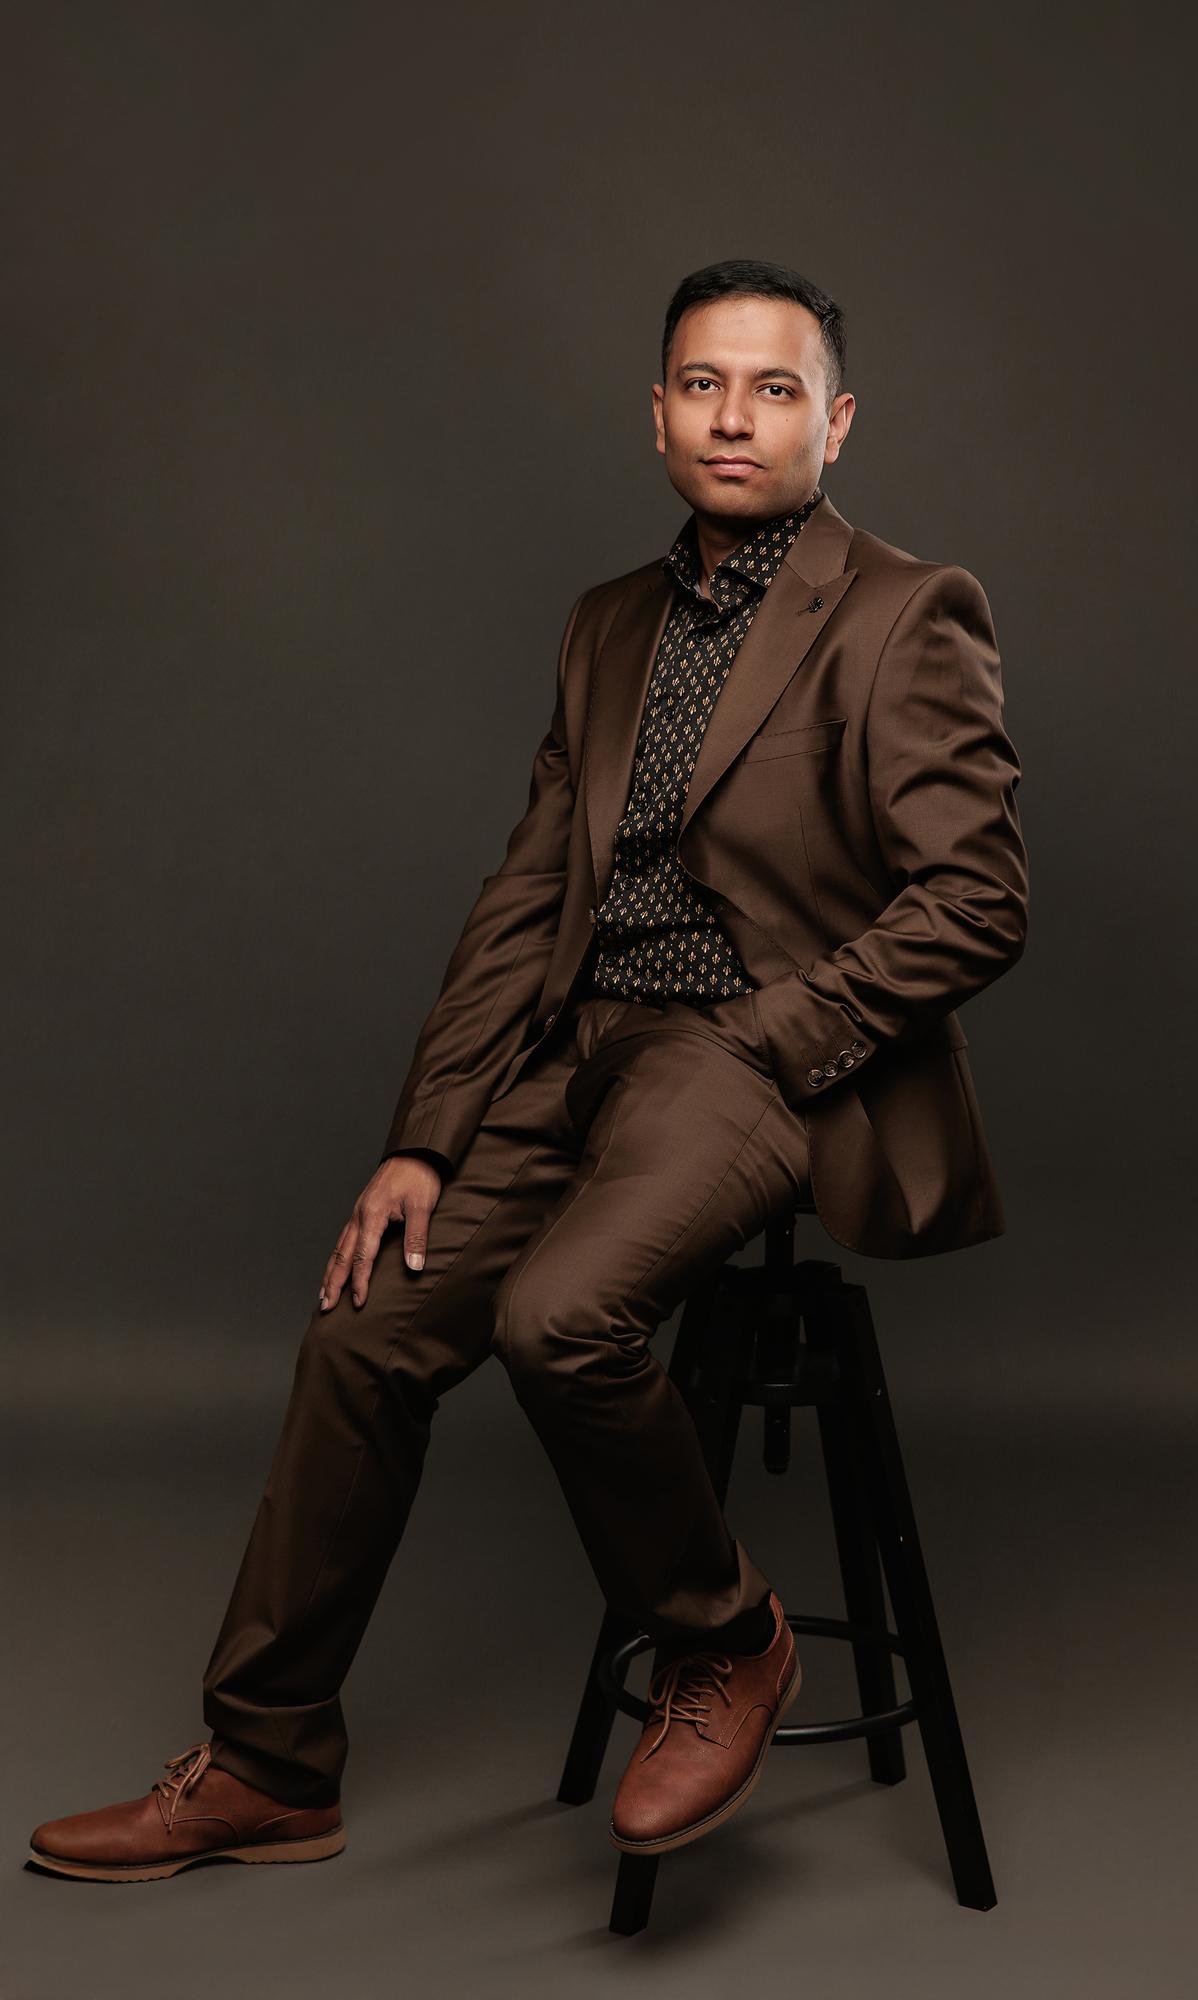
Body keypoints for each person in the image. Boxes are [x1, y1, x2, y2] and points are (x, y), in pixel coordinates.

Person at [28, 257, 1028, 1882]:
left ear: (834, 425)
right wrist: (424, 1135)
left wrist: (777, 1040)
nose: (733, 417)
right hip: (575, 1054)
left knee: (559, 1316)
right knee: (364, 1327)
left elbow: (978, 896)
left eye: (774, 390)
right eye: (703, 384)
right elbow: (526, 897)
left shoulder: (911, 612)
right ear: (654, 415)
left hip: (751, 1060)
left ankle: (726, 1639)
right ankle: (271, 1764)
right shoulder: (606, 625)